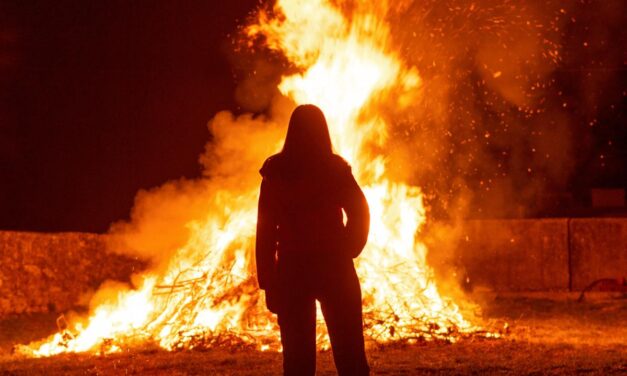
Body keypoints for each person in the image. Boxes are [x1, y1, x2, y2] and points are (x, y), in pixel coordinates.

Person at [256, 104, 370, 375]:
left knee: (297, 361)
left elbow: (266, 232)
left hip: (293, 270)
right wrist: (350, 247)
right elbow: (360, 210)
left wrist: (269, 283)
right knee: (350, 354)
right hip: (334, 267)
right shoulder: (334, 169)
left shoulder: (275, 173)